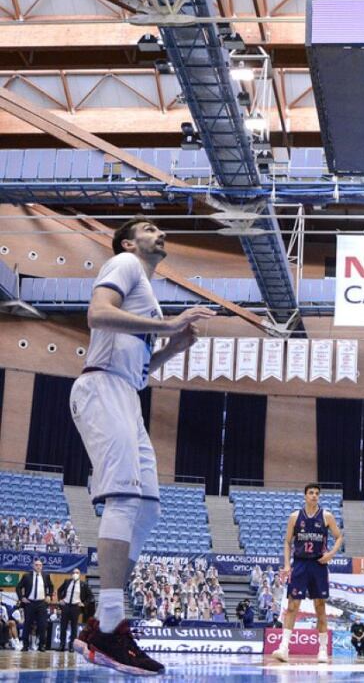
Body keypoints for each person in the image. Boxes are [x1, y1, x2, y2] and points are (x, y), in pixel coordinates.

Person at [69, 215, 215, 674]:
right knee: (126, 497)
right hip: (101, 387)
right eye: (148, 227)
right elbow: (97, 314)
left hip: (126, 391)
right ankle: (109, 622)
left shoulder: (147, 294)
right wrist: (171, 325)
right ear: (129, 241)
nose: (158, 231)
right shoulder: (125, 263)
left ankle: (104, 623)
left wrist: (173, 346)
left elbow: (140, 369)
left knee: (148, 505)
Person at [271, 483, 344, 664]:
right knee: (292, 606)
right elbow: (287, 542)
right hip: (301, 564)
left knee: (320, 607)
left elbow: (339, 536)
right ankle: (284, 648)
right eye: (311, 493)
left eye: (317, 493)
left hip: (318, 564)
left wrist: (331, 554)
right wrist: (287, 565)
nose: (314, 496)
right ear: (305, 496)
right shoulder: (295, 517)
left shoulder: (326, 516)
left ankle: (322, 651)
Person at [16, 558, 54, 651]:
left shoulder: (46, 576)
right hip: (30, 603)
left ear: (42, 567)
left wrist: (49, 595)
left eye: (40, 565)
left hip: (41, 603)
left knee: (42, 625)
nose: (38, 567)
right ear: (33, 566)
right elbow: (18, 587)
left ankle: (41, 646)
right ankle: (25, 645)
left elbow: (51, 586)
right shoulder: (26, 576)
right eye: (36, 565)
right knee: (27, 625)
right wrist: (22, 598)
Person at [57, 568, 92, 652]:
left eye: (77, 572)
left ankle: (71, 646)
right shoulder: (67, 582)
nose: (75, 574)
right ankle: (62, 645)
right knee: (63, 626)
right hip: (66, 606)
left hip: (75, 607)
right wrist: (60, 599)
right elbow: (59, 590)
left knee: (74, 628)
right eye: (74, 572)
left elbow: (90, 596)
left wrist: (83, 604)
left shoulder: (83, 584)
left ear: (79, 574)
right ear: (71, 574)